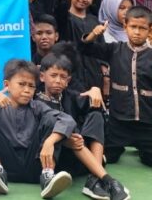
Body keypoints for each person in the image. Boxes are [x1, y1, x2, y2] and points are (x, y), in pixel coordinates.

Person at [0, 59, 76, 198]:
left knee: (52, 119)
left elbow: (67, 120)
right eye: (21, 84)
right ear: (7, 85)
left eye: (31, 86)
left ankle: (48, 176)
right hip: (6, 164)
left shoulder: (38, 106)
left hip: (36, 166)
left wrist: (50, 142)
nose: (26, 90)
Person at [35, 53, 124, 199]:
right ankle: (105, 178)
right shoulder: (34, 101)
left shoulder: (71, 96)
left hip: (79, 157)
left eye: (63, 77)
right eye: (53, 75)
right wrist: (64, 140)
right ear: (42, 77)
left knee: (95, 115)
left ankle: (94, 179)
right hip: (54, 160)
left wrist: (95, 91)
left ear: (68, 81)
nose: (58, 80)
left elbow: (94, 109)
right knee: (64, 125)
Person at [80, 5, 152, 169]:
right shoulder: (114, 49)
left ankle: (144, 151)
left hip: (148, 123)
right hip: (119, 123)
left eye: (142, 28)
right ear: (125, 26)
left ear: (149, 30)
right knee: (107, 157)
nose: (137, 32)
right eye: (133, 27)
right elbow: (85, 48)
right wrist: (93, 34)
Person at [54, 0, 104, 91]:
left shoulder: (94, 21)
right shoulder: (64, 18)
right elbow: (60, 7)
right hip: (71, 78)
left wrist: (105, 76)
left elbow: (102, 50)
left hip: (94, 77)